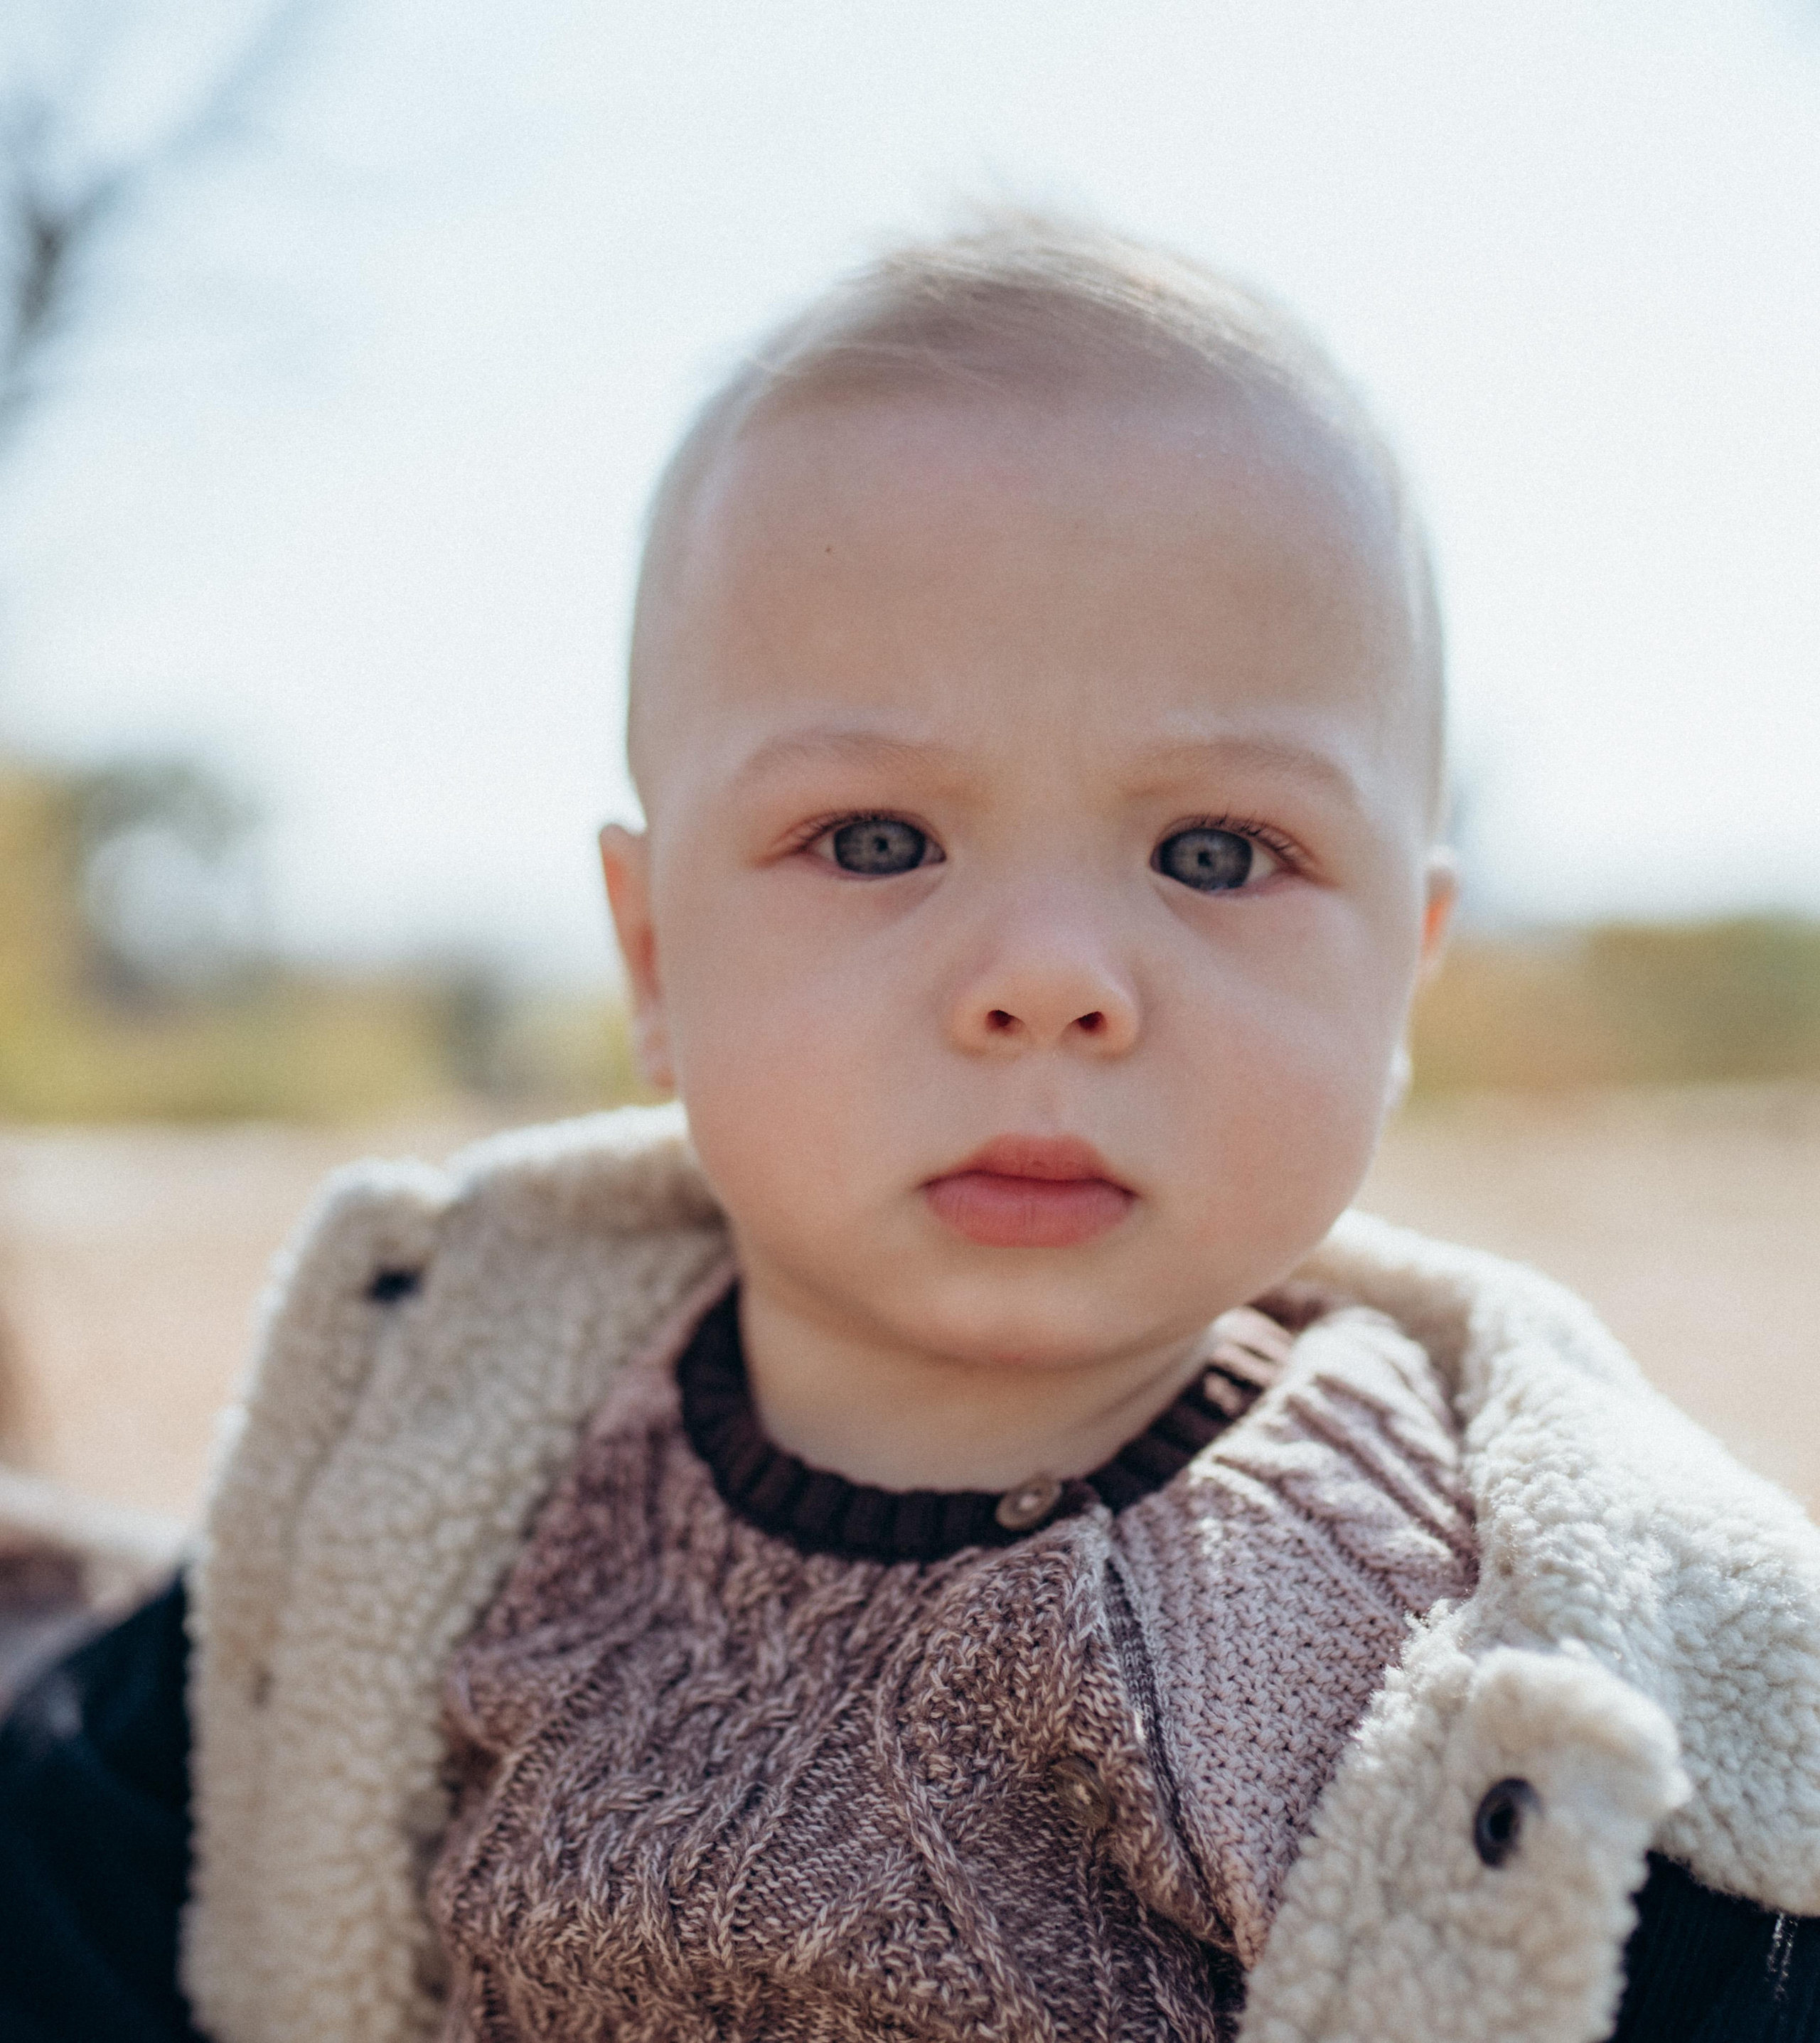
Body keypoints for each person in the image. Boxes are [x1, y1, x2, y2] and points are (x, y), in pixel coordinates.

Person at [5, 215, 1820, 2043]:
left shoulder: (1499, 1663)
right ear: (652, 957)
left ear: (1400, 981)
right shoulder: (427, 1450)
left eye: (1216, 854)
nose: (1044, 983)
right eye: (876, 842)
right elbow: (91, 1882)